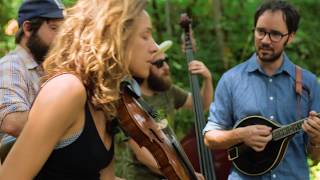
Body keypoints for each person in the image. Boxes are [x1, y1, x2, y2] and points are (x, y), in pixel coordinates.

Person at [0, 0, 159, 179]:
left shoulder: (105, 98)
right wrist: (53, 121)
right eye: (145, 36)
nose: (155, 48)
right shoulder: (67, 89)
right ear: (114, 35)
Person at [203, 0, 320, 179]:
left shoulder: (309, 84)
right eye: (260, 31)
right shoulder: (231, 79)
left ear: (291, 36)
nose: (265, 40)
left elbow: (315, 156)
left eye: (275, 34)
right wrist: (241, 134)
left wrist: (316, 139)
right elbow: (209, 138)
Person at [124, 40, 213, 179]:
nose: (166, 67)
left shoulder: (167, 91)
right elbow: (142, 154)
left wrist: (207, 79)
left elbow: (201, 104)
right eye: (159, 64)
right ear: (145, 65)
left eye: (166, 60)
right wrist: (184, 173)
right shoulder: (131, 103)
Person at [0, 0, 64, 137]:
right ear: (28, 28)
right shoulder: (11, 65)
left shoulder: (46, 68)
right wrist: (69, 123)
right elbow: (12, 122)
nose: (61, 38)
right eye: (54, 28)